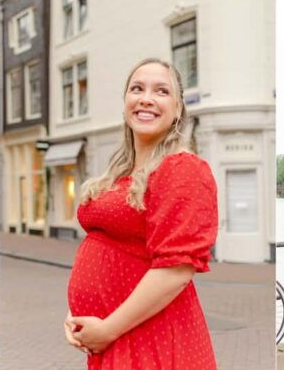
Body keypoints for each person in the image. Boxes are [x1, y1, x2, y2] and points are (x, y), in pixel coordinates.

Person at [63, 58, 218, 369]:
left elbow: (176, 269)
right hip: (117, 338)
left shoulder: (182, 168)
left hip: (151, 340)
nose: (146, 97)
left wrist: (107, 329)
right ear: (125, 104)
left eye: (161, 91)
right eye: (137, 88)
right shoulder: (119, 174)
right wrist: (76, 313)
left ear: (178, 109)